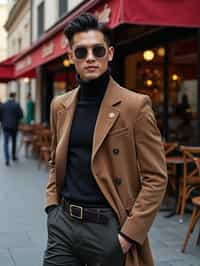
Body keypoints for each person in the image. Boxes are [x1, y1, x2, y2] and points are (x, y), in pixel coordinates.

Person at [43, 13, 167, 266]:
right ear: (71, 58)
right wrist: (51, 207)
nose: (90, 57)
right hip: (63, 226)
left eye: (97, 50)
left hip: (109, 228)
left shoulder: (135, 106)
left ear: (109, 54)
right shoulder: (60, 105)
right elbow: (56, 160)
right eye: (81, 52)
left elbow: (156, 177)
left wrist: (128, 235)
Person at [0, 92, 23, 166]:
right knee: (14, 141)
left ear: (8, 96)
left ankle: (7, 159)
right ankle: (13, 156)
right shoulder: (16, 105)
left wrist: (3, 121)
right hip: (14, 126)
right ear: (14, 96)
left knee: (6, 143)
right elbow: (21, 115)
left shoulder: (3, 105)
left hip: (5, 126)